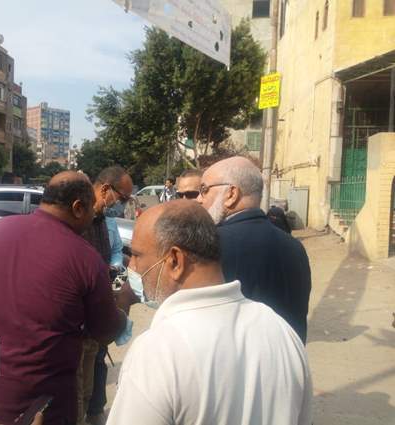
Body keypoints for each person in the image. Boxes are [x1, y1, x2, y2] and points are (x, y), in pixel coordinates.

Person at [107, 200, 312, 425]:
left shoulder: (157, 352)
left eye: (137, 255)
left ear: (175, 260)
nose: (132, 267)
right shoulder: (282, 331)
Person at [0, 171, 133, 425]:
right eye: (90, 209)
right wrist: (123, 303)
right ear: (78, 208)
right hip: (35, 406)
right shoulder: (86, 259)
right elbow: (104, 332)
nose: (93, 216)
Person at [197, 156, 311, 343]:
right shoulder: (295, 246)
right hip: (288, 357)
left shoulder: (210, 245)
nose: (199, 199)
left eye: (204, 190)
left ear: (231, 194)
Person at [79, 166, 133, 425]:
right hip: (79, 317)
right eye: (123, 198)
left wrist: (114, 278)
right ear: (105, 190)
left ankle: (94, 410)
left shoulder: (104, 220)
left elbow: (115, 252)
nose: (122, 205)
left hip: (98, 310)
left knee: (95, 366)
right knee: (76, 385)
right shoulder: (79, 219)